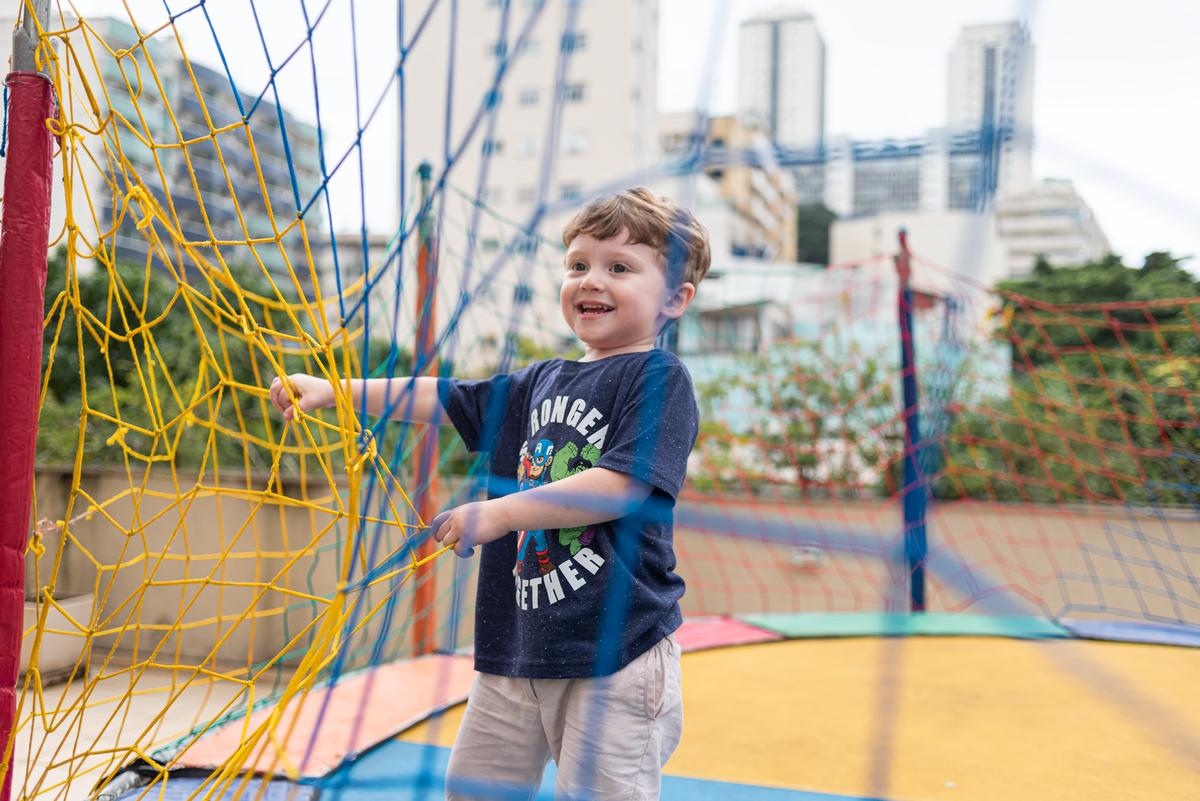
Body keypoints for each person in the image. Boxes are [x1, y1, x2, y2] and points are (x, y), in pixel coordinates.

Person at [269, 187, 710, 801]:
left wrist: (502, 513)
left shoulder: (657, 376)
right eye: (578, 265)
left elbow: (623, 486)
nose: (591, 280)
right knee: (474, 788)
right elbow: (443, 397)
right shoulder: (539, 381)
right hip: (516, 643)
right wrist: (333, 389)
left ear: (674, 299)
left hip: (616, 650)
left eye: (619, 268)